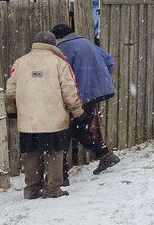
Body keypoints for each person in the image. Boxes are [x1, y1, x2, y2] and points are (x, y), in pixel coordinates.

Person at [5, 31, 86, 199]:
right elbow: (69, 90)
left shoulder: (20, 62)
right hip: (53, 119)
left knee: (32, 153)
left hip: (28, 120)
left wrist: (12, 110)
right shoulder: (59, 63)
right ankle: (53, 189)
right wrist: (77, 110)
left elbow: (10, 90)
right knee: (55, 152)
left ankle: (32, 189)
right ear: (53, 45)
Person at [50, 24, 121, 175]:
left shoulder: (63, 48)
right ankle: (103, 155)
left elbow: (62, 75)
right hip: (92, 94)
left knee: (69, 130)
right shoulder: (87, 43)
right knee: (79, 128)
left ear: (58, 37)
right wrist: (97, 80)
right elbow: (109, 61)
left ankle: (61, 173)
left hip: (77, 96)